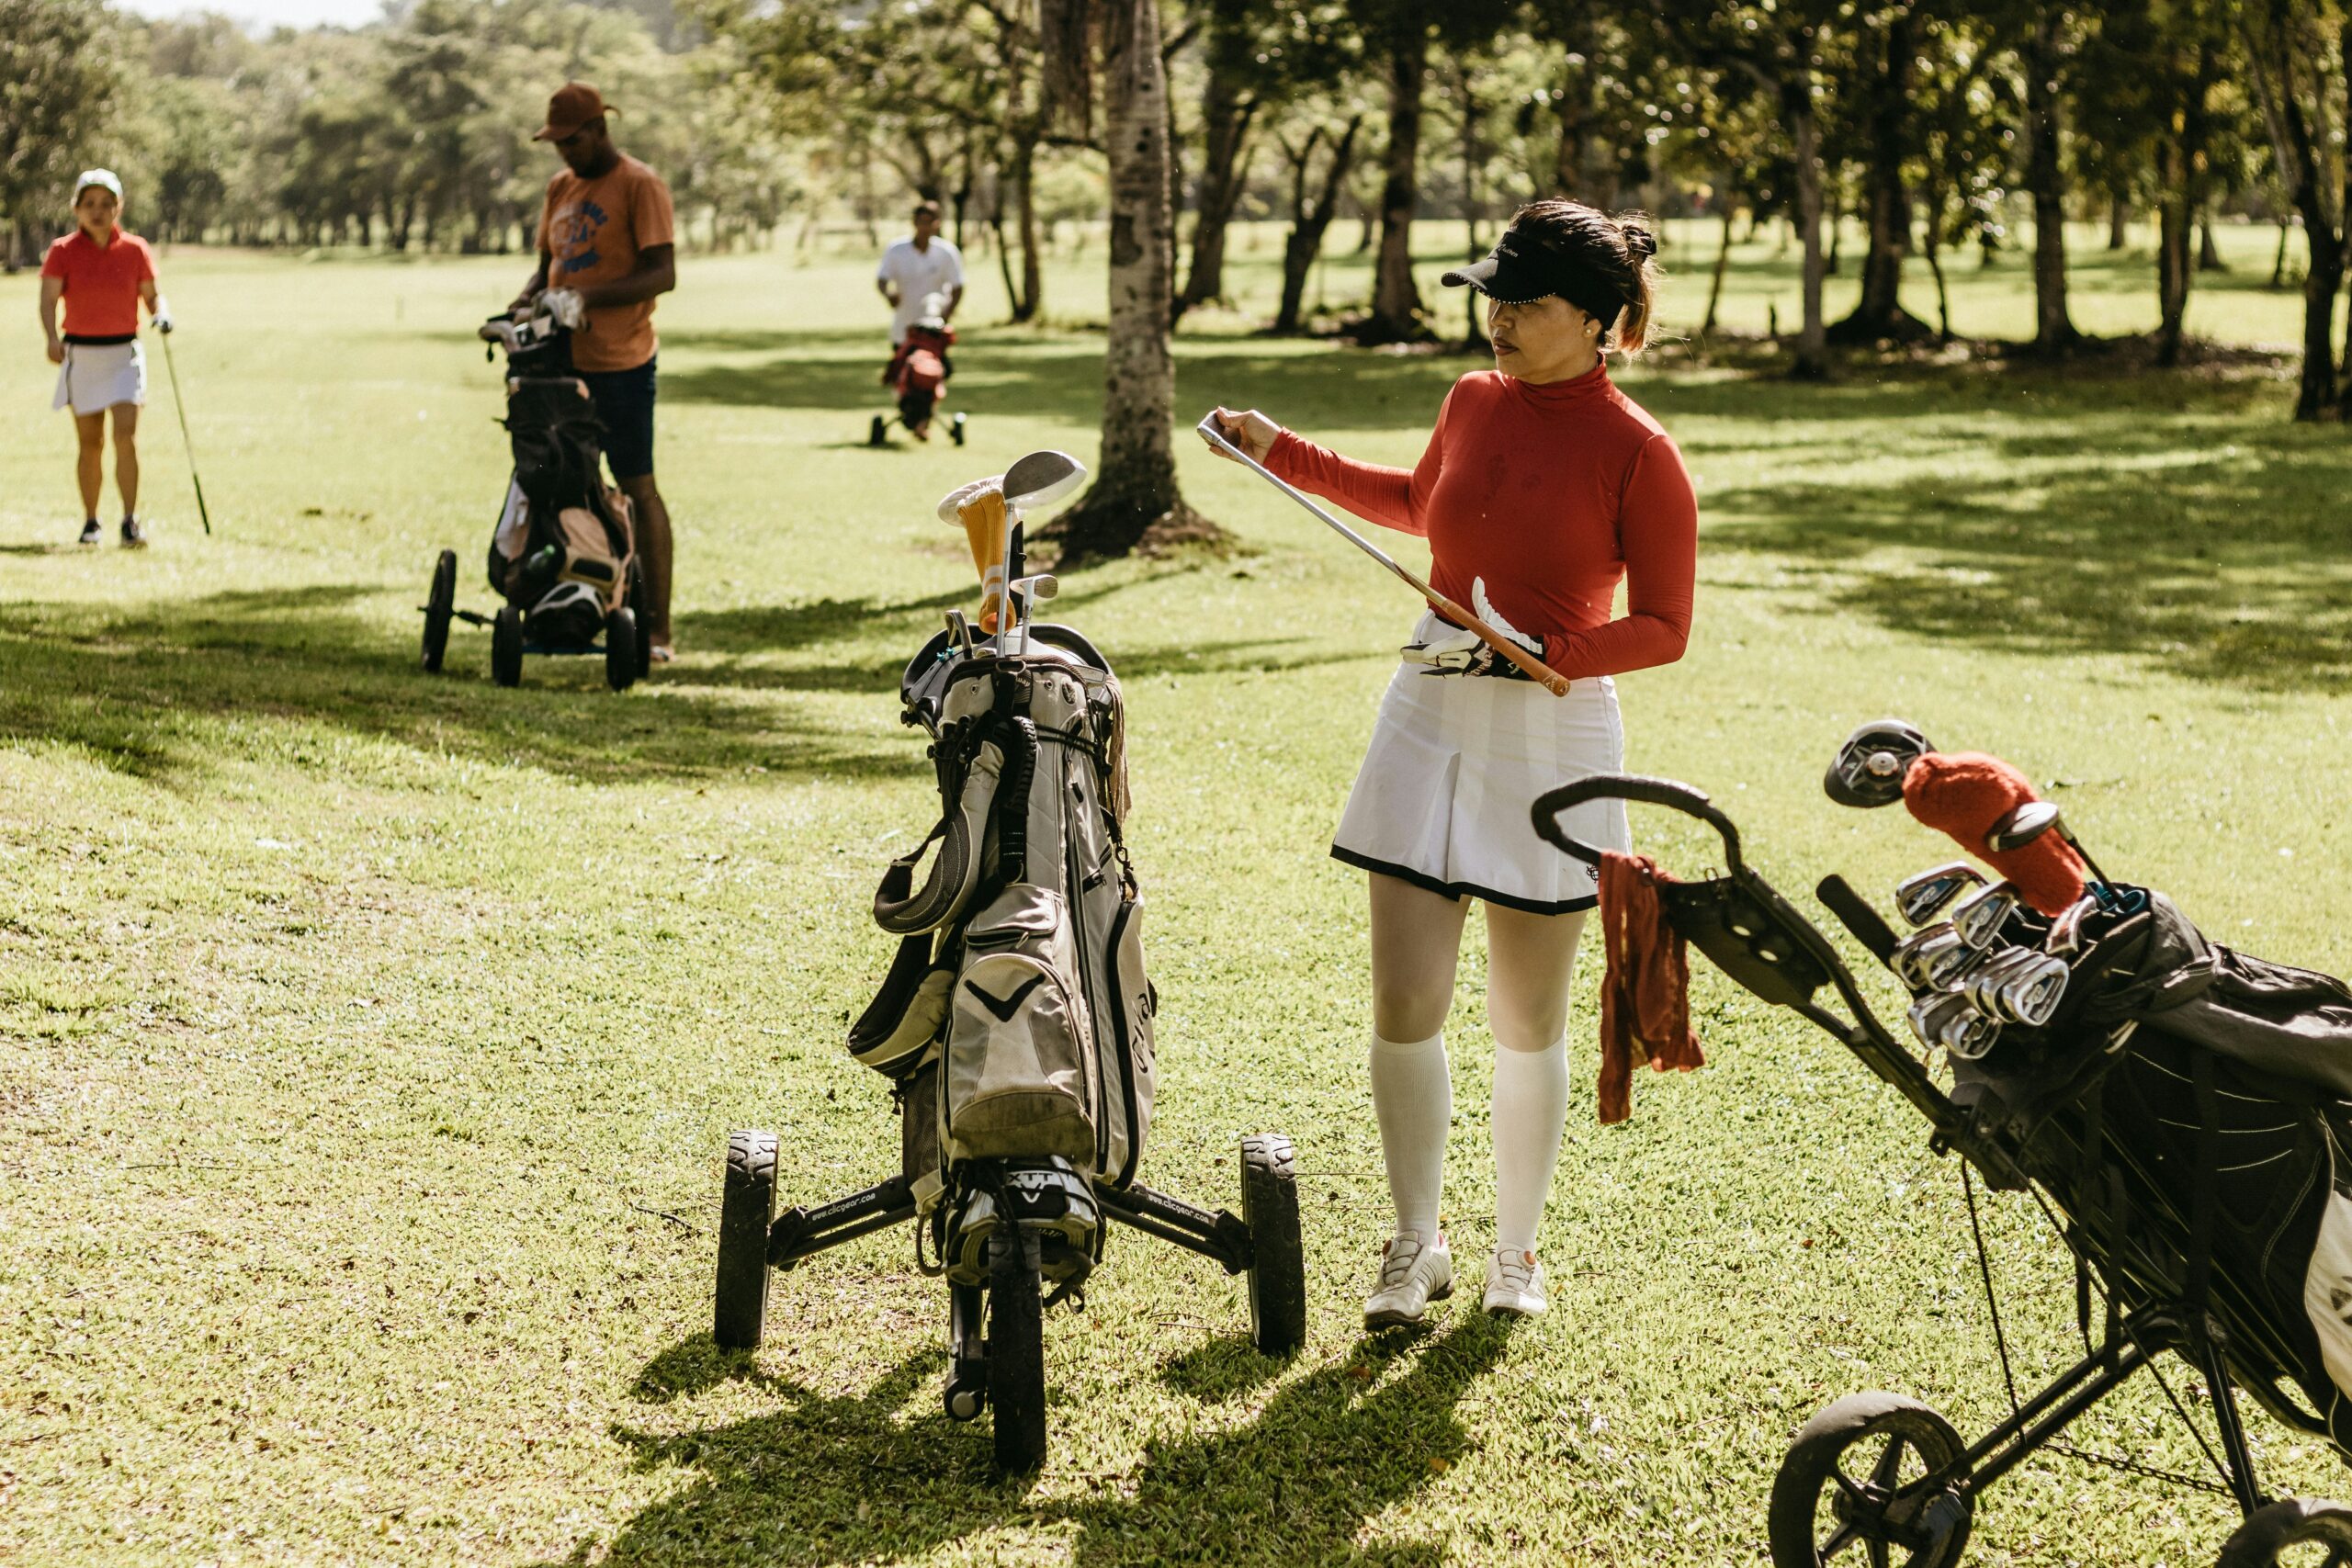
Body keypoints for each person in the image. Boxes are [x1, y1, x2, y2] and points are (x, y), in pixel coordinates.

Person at [1206, 199, 1697, 1325]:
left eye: (1526, 302)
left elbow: (1665, 625)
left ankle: (1514, 1255)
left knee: (1527, 1019)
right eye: (1495, 295)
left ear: (1602, 319)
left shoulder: (1642, 453)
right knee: (1405, 1000)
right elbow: (1422, 506)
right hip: (1427, 707)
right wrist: (1283, 452)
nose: (1498, 318)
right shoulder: (1472, 398)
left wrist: (1553, 654)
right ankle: (1414, 1245)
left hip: (1555, 732)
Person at [509, 81, 679, 660]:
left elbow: (662, 273)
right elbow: (546, 271)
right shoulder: (560, 186)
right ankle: (564, 601)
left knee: (637, 488)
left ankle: (656, 629)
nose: (563, 152)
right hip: (559, 366)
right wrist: (525, 304)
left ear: (599, 129)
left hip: (621, 362)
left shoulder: (639, 184)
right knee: (553, 480)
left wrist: (585, 300)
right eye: (555, 142)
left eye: (571, 140)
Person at [39, 169, 171, 548]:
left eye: (106, 204)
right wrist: (51, 337)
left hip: (124, 354)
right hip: (82, 354)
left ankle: (130, 521)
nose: (98, 212)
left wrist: (160, 313)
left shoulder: (135, 249)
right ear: (77, 208)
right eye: (89, 204)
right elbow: (48, 299)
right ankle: (91, 521)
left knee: (126, 437)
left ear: (118, 208)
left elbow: (152, 296)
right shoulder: (62, 251)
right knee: (91, 442)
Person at [876, 199, 963, 368]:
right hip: (904, 326)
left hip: (933, 328)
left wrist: (947, 314)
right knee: (903, 376)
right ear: (914, 222)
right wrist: (889, 294)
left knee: (929, 378)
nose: (925, 227)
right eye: (921, 222)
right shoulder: (897, 250)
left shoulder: (946, 252)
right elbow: (882, 279)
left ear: (937, 224)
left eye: (929, 222)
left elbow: (958, 286)